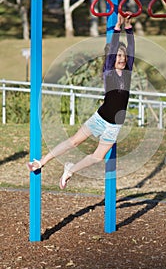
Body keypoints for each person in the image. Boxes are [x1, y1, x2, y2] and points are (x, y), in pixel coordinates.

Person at [27, 12, 135, 189]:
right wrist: (117, 28)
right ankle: (42, 161)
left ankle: (70, 170)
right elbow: (114, 50)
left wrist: (128, 26)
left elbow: (131, 49)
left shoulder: (128, 72)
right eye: (118, 56)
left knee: (98, 157)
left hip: (114, 126)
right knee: (74, 141)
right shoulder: (108, 72)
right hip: (100, 119)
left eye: (123, 57)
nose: (122, 59)